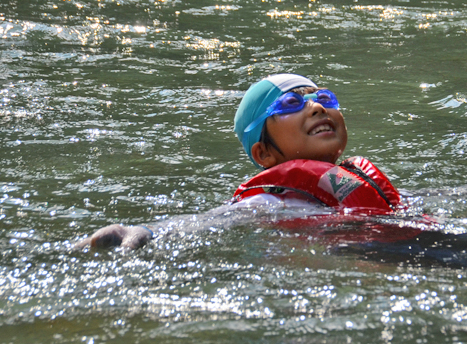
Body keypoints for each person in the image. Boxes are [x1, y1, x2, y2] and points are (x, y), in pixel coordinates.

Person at [77, 73, 402, 250]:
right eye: (291, 103)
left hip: (390, 243)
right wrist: (148, 230)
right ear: (264, 154)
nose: (316, 107)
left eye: (324, 98)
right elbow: (215, 220)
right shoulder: (271, 199)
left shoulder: (356, 178)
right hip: (363, 256)